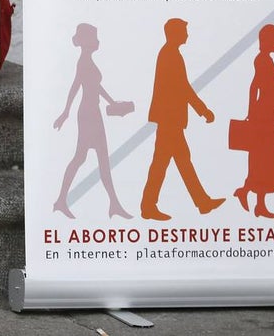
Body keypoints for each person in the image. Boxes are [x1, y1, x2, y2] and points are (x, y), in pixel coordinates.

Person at [139, 18, 225, 220]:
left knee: (174, 162)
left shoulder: (171, 54)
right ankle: (151, 206)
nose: (187, 34)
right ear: (175, 33)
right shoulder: (170, 55)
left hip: (170, 120)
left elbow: (182, 87)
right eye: (184, 31)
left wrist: (202, 110)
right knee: (167, 163)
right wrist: (203, 110)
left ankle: (200, 203)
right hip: (170, 121)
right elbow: (183, 88)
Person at [51, 23, 132, 220]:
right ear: (87, 41)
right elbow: (75, 87)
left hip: (94, 113)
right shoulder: (84, 62)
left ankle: (114, 204)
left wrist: (113, 102)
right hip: (88, 114)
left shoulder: (87, 62)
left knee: (101, 161)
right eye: (94, 38)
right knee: (81, 158)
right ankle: (61, 201)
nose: (97, 41)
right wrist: (65, 112)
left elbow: (96, 86)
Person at [232, 25, 274, 218]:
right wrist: (252, 114)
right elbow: (257, 88)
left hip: (268, 116)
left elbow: (265, 91)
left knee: (265, 162)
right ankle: (247, 193)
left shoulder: (266, 60)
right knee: (262, 161)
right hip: (264, 117)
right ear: (269, 41)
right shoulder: (262, 60)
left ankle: (257, 202)